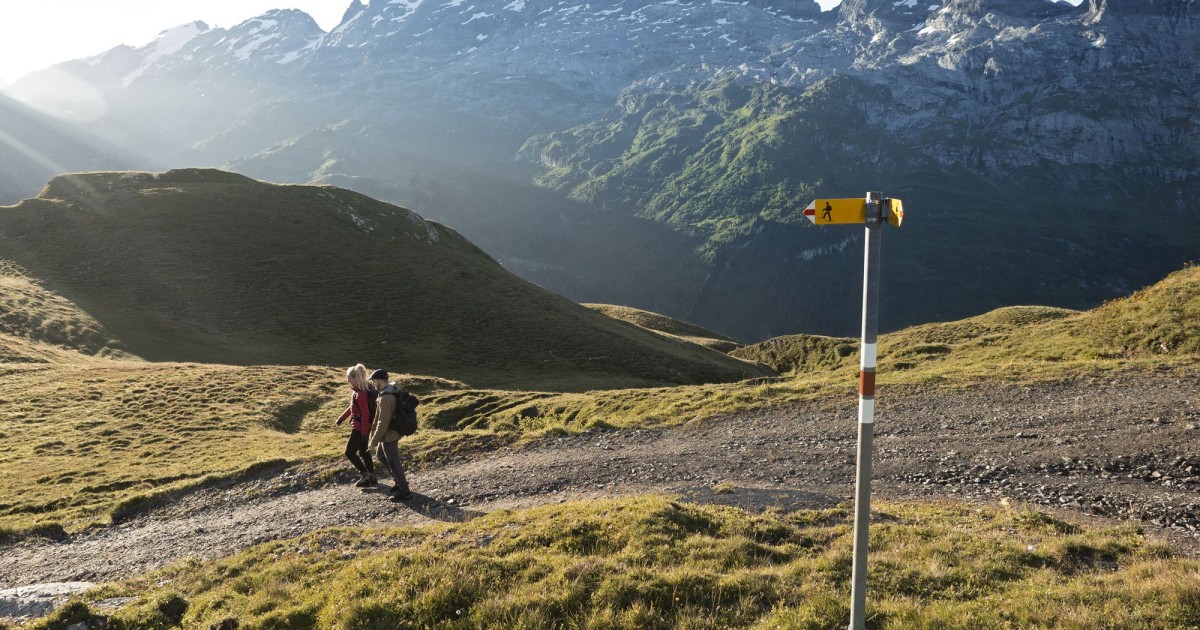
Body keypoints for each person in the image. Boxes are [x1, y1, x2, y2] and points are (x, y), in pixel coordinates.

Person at [367, 368, 413, 501]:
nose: (373, 383)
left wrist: (374, 440)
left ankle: (405, 491)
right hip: (388, 433)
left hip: (389, 434)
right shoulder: (386, 393)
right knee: (381, 455)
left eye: (374, 381)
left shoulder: (386, 398)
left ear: (380, 381)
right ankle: (399, 482)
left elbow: (383, 422)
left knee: (393, 461)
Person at [334, 364, 376, 487]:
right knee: (363, 451)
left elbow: (365, 414)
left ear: (355, 378)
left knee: (349, 452)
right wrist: (341, 419)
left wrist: (363, 433)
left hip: (360, 429)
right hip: (364, 428)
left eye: (349, 378)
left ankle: (365, 475)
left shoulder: (361, 394)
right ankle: (372, 476)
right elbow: (352, 408)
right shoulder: (359, 392)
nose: (347, 380)